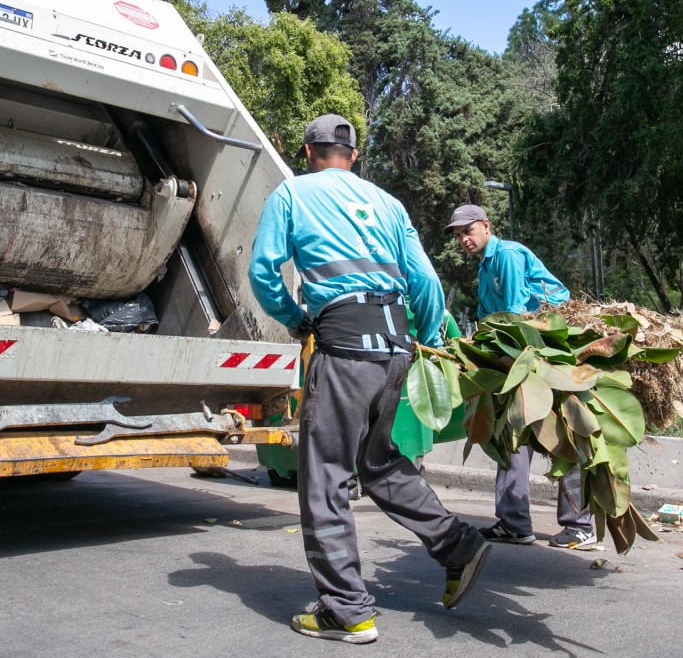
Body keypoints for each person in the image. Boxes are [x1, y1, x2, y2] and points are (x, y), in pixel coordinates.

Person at [250, 114, 492, 644]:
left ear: (307, 152)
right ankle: (459, 546)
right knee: (377, 462)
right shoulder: (388, 203)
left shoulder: (292, 194)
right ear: (353, 156)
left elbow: (263, 271)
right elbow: (425, 280)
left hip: (343, 348)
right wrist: (425, 340)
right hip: (395, 350)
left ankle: (346, 610)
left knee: (325, 475)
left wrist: (295, 318)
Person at [447, 204, 596, 550]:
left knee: (566, 433)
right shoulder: (485, 268)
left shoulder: (508, 255)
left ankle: (580, 525)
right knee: (509, 433)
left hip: (551, 346)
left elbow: (514, 313)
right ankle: (514, 523)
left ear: (486, 226)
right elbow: (488, 319)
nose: (463, 240)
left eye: (468, 231)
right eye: (458, 235)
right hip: (519, 350)